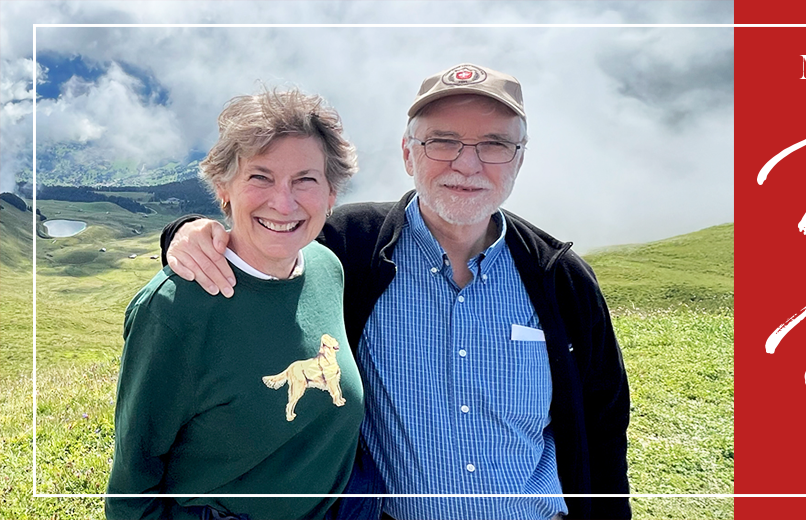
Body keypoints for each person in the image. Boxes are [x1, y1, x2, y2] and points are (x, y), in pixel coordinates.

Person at [162, 63, 631, 520]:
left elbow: (603, 424)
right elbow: (264, 242)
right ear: (408, 154)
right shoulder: (348, 248)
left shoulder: (561, 279)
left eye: (494, 145)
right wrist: (186, 233)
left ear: (519, 160)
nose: (467, 164)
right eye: (442, 142)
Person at [106, 88, 362, 519]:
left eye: (306, 179)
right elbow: (133, 480)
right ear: (223, 188)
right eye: (259, 177)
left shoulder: (326, 267)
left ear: (332, 193)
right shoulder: (174, 308)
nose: (283, 202)